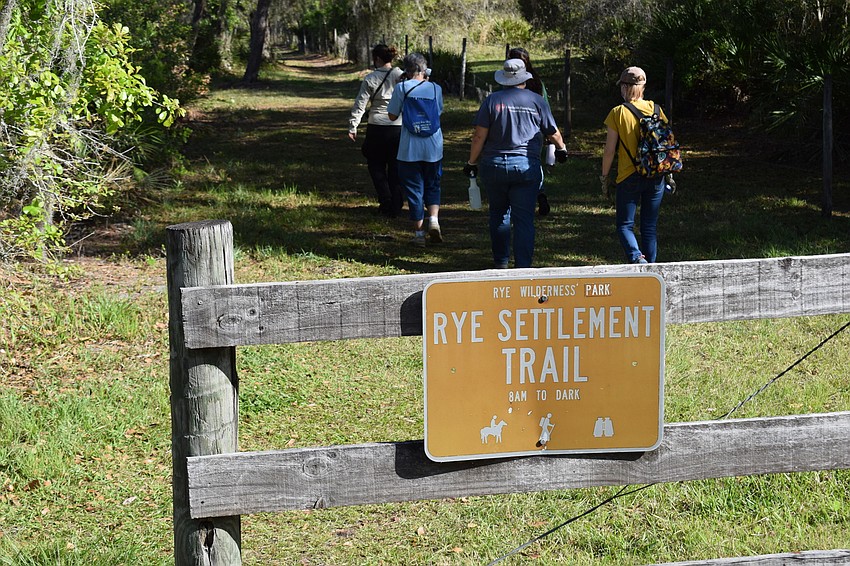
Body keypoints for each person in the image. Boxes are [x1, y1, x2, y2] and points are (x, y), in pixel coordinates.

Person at [465, 59, 567, 269]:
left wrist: (472, 162)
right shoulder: (537, 101)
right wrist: (561, 149)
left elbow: (478, 137)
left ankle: (501, 262)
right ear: (524, 78)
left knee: (499, 213)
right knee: (524, 219)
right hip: (525, 168)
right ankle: (522, 267)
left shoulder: (492, 101)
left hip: (494, 166)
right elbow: (552, 131)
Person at [601, 66, 667, 264]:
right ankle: (651, 270)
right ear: (643, 86)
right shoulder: (657, 109)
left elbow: (609, 151)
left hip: (629, 176)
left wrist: (604, 177)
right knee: (649, 226)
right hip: (656, 174)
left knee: (624, 225)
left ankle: (637, 258)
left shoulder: (618, 113)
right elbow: (665, 144)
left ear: (623, 87)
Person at [387, 52, 444, 246]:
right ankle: (434, 220)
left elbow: (392, 116)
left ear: (407, 70)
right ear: (424, 69)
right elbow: (439, 112)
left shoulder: (401, 88)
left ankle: (419, 235)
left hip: (409, 148)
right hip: (433, 147)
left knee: (413, 190)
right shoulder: (436, 88)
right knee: (433, 184)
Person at [348, 44, 404, 218]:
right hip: (398, 127)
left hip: (377, 127)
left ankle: (385, 198)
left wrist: (353, 125)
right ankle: (396, 203)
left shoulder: (370, 78)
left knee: (375, 164)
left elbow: (361, 103)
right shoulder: (401, 75)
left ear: (377, 59)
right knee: (395, 166)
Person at [508, 47, 552, 216]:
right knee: (533, 161)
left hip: (512, 127)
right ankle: (540, 192)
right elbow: (545, 107)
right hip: (535, 130)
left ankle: (516, 198)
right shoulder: (537, 82)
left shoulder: (506, 82)